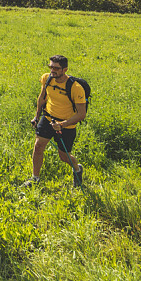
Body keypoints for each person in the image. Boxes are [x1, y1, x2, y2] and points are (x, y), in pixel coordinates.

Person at [26, 54, 85, 187]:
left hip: (67, 125)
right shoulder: (47, 78)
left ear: (65, 69)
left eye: (56, 68)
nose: (52, 70)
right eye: (51, 67)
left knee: (64, 157)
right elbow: (41, 98)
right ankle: (35, 178)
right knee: (38, 146)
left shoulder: (75, 88)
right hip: (48, 118)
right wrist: (37, 116)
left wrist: (62, 124)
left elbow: (81, 114)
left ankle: (77, 168)